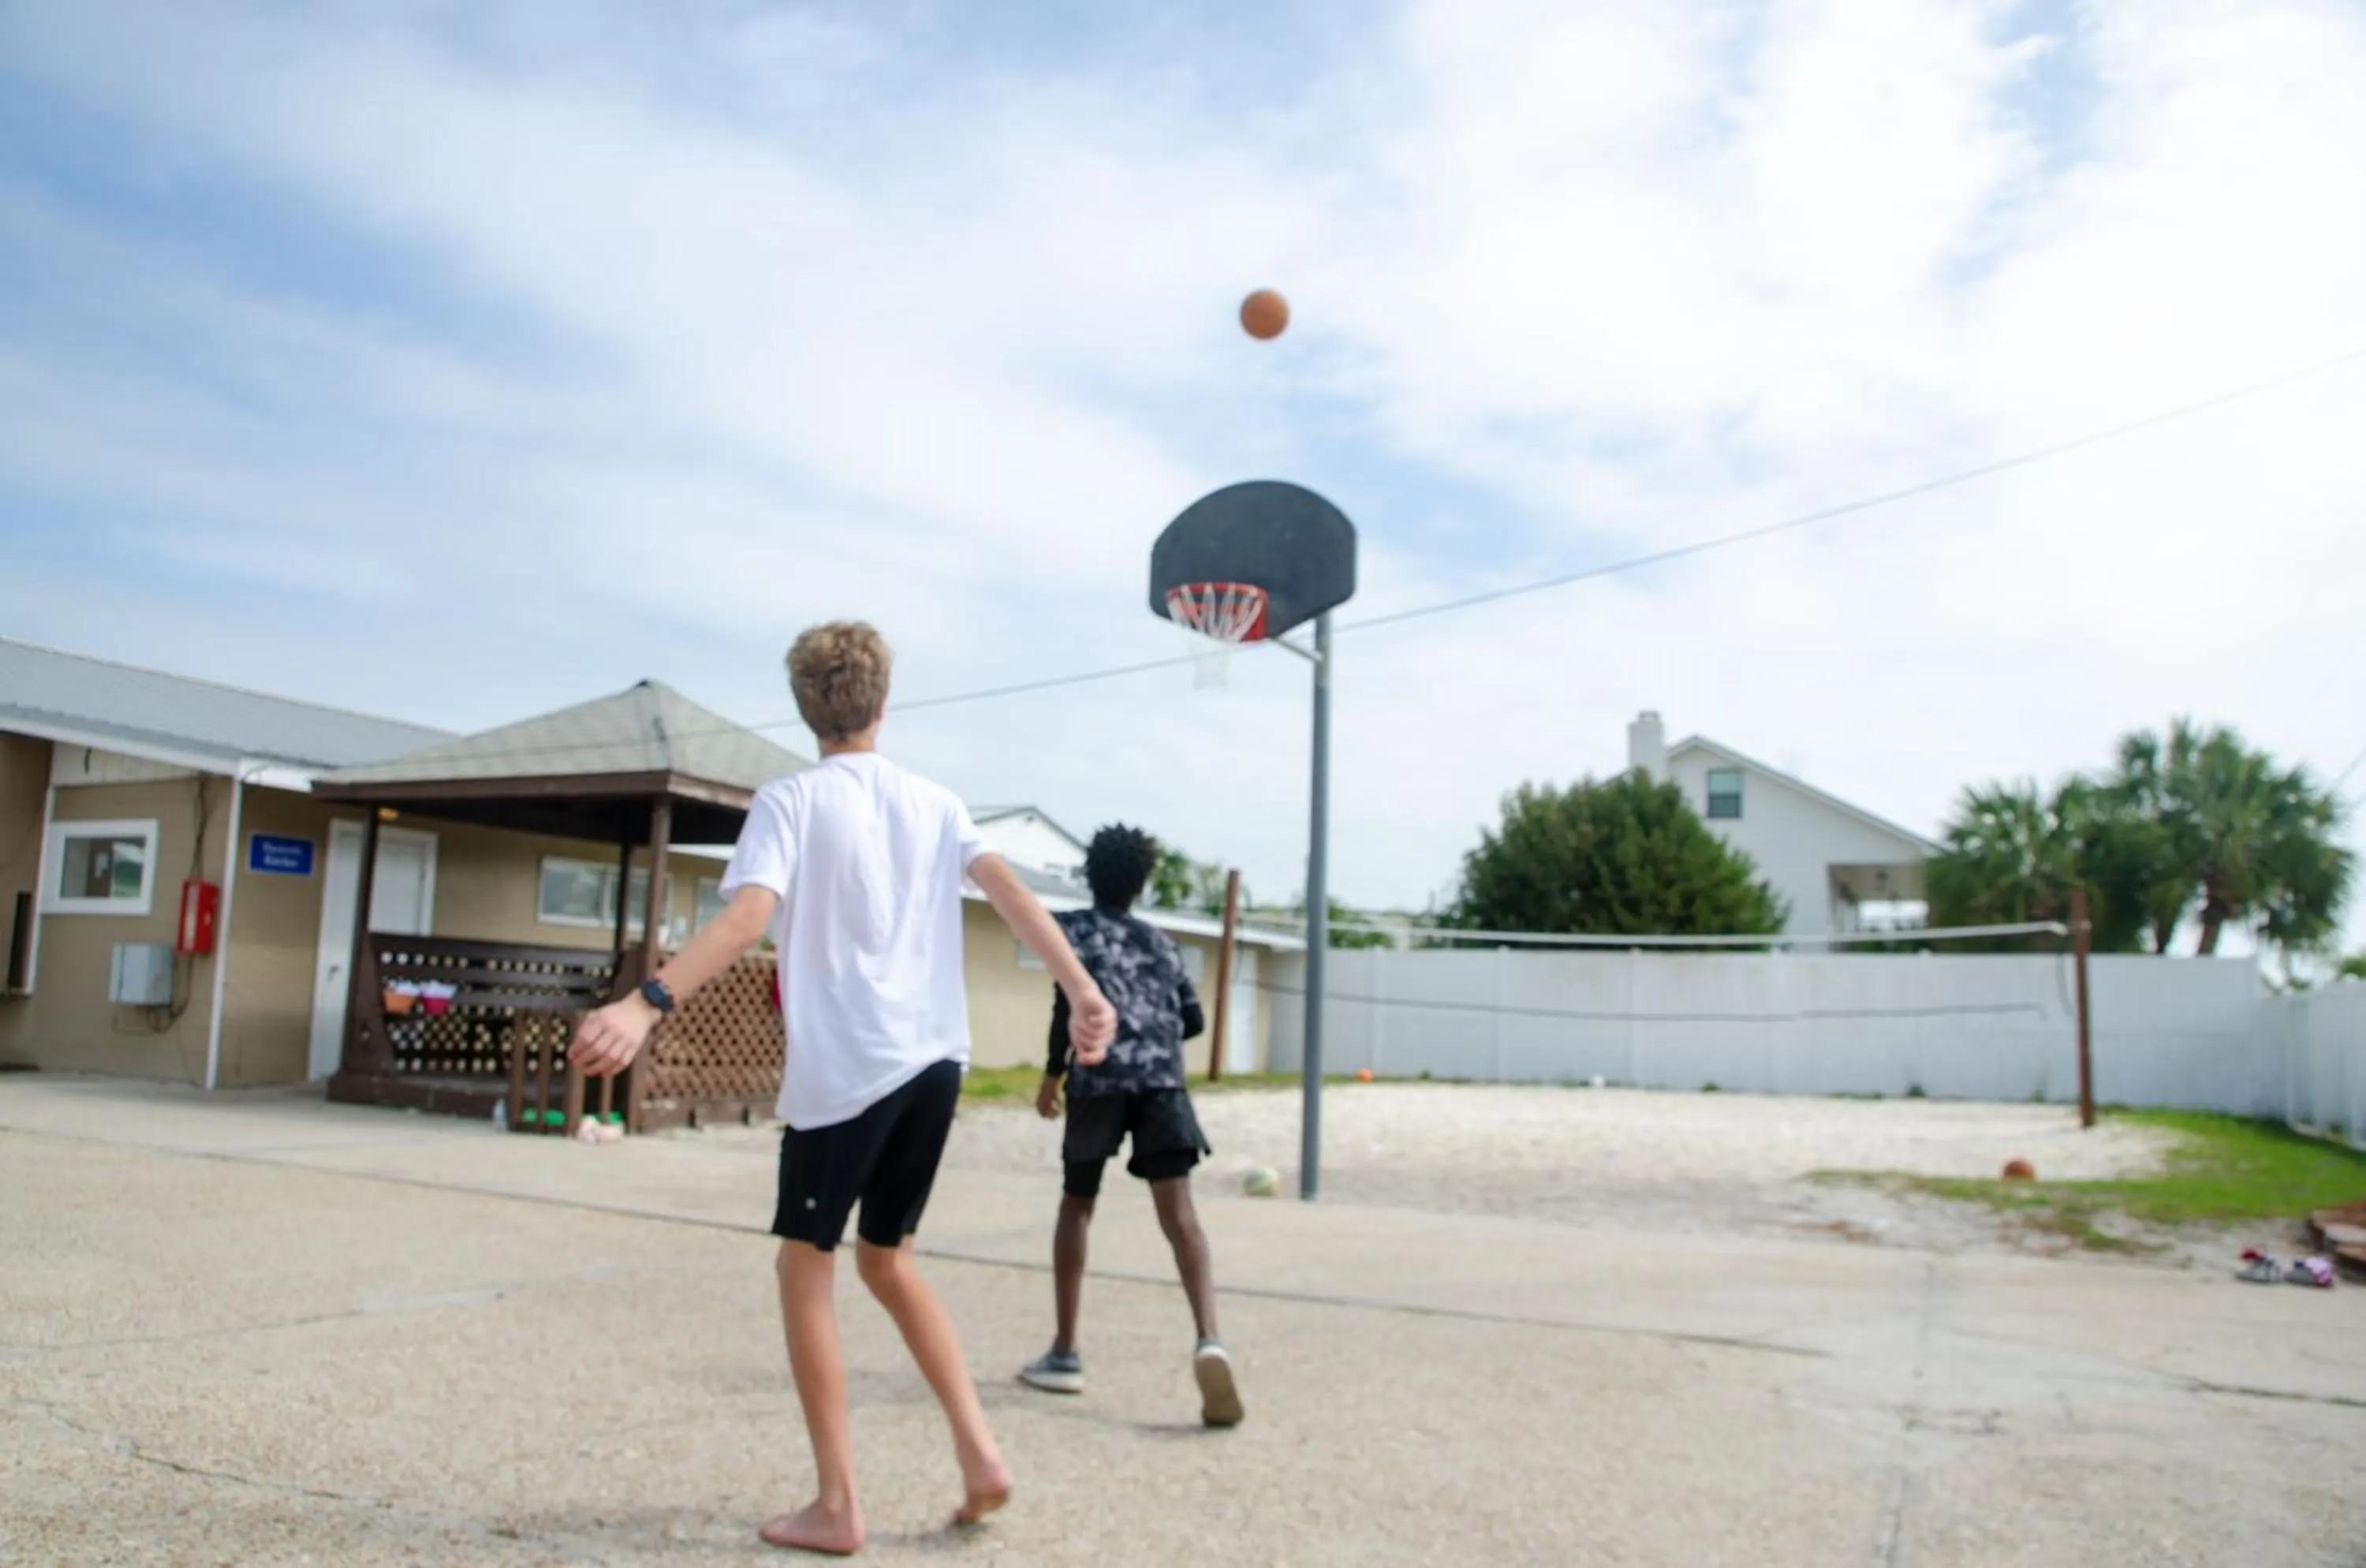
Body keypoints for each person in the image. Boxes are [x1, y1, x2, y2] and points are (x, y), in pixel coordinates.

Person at [570, 622, 1116, 1556]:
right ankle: (981, 1454)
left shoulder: (790, 800)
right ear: (883, 702)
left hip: (848, 1072)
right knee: (889, 1258)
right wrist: (1081, 987)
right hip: (935, 1063)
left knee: (805, 1262)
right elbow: (1008, 888)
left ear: (802, 707)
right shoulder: (936, 800)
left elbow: (747, 915)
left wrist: (646, 999)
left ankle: (837, 1504)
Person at [1017, 824, 1243, 1428]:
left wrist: (1052, 1075)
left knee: (1078, 1204)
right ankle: (1209, 1338)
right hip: (1163, 1085)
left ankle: (1065, 1351)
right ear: (1143, 883)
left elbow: (1068, 1003)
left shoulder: (1075, 931)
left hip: (1099, 1079)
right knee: (1181, 1216)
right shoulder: (1162, 944)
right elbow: (1191, 1021)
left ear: (1090, 875)